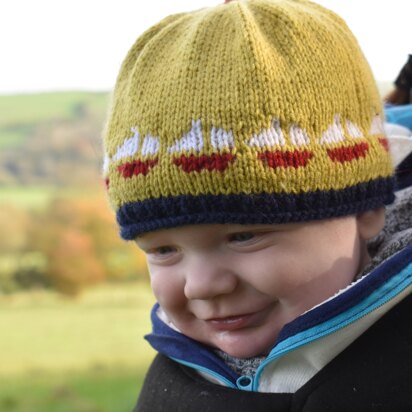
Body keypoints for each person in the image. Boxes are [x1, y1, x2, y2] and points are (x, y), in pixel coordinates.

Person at [102, 0, 412, 410]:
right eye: (163, 250)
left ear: (366, 210)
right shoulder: (180, 371)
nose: (201, 285)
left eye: (243, 235)